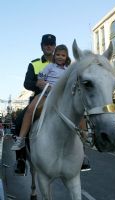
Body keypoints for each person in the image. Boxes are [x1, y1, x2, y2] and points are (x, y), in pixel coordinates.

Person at [11, 44, 71, 150]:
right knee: (29, 110)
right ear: (42, 47)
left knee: (79, 109)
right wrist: (43, 85)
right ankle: (20, 141)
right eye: (58, 55)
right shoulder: (46, 66)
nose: (60, 57)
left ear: (66, 57)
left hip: (62, 97)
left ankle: (84, 140)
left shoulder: (68, 69)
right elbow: (38, 80)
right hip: (45, 94)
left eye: (63, 55)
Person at [13, 34, 56, 175]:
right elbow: (27, 83)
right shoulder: (34, 63)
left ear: (54, 46)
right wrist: (36, 83)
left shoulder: (63, 62)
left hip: (58, 99)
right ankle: (21, 160)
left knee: (78, 115)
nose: (48, 46)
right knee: (18, 123)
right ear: (42, 46)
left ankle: (82, 157)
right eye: (46, 44)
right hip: (39, 98)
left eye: (51, 44)